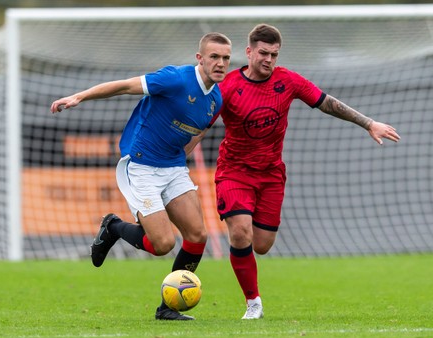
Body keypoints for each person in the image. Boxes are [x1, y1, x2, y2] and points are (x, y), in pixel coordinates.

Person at [214, 24, 400, 320]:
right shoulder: (227, 86)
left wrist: (368, 123)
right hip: (234, 172)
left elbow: (327, 102)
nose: (269, 60)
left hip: (271, 175)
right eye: (263, 53)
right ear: (248, 52)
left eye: (274, 54)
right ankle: (253, 303)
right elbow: (200, 123)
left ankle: (251, 284)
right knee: (240, 232)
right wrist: (179, 152)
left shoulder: (287, 81)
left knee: (261, 245)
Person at [50, 32, 232, 320]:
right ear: (200, 58)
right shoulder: (175, 79)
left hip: (172, 167)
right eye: (214, 57)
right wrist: (79, 96)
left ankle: (168, 308)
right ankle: (112, 227)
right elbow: (124, 86)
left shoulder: (216, 99)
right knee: (162, 245)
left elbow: (200, 130)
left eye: (225, 58)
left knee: (197, 235)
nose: (220, 63)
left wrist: (179, 158)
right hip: (141, 164)